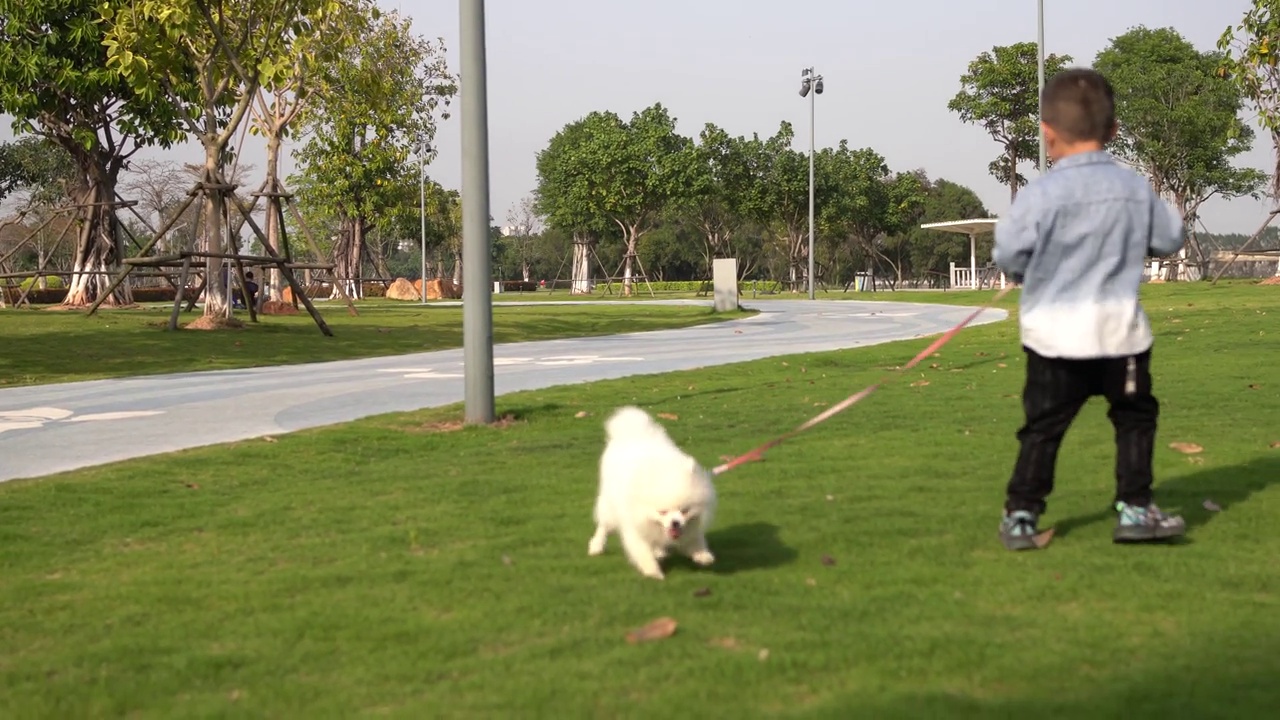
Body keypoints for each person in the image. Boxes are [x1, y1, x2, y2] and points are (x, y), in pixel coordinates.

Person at [992, 67, 1187, 551]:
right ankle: (1136, 508)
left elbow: (1010, 252)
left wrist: (1024, 273)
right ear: (1113, 132)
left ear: (1047, 133)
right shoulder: (1133, 186)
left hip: (1052, 338)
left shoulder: (1040, 193)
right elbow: (1168, 238)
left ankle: (1021, 514)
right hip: (1119, 335)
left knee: (1042, 429)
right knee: (1134, 418)